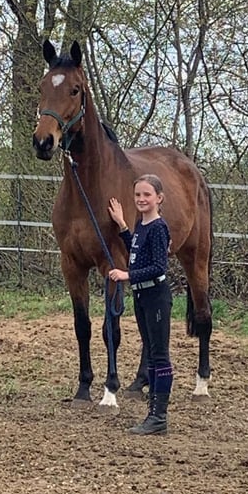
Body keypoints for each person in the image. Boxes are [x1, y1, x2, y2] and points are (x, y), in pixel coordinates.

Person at [108, 174, 173, 435]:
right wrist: (123, 225)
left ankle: (158, 417)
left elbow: (159, 266)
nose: (141, 199)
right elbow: (136, 252)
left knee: (159, 355)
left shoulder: (158, 227)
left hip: (155, 296)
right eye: (138, 195)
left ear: (159, 198)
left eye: (147, 195)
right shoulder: (142, 225)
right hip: (142, 296)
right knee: (151, 353)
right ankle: (154, 415)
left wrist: (127, 275)